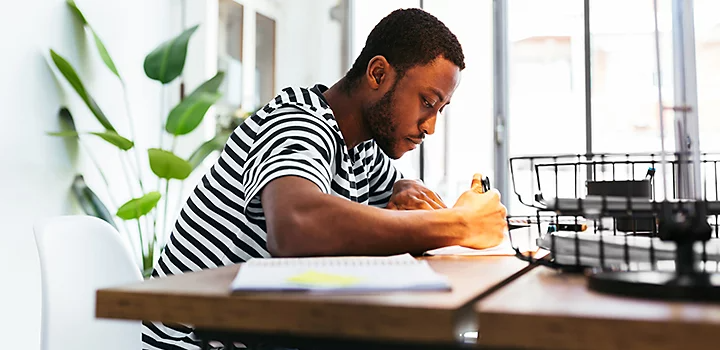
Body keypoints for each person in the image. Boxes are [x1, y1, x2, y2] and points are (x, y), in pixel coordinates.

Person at [142, 7, 507, 350]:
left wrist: (407, 189)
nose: (430, 126)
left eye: (440, 110)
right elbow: (297, 226)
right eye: (427, 102)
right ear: (378, 74)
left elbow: (392, 198)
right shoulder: (297, 121)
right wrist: (459, 223)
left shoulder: (361, 146)